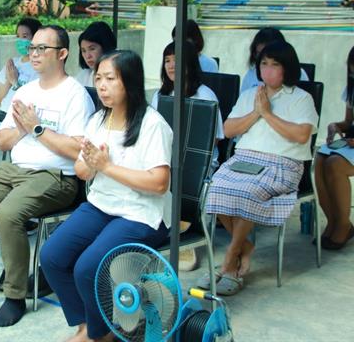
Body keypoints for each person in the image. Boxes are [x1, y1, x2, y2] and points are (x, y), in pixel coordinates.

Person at [0, 25, 95, 327]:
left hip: (56, 176)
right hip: (15, 168)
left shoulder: (75, 95)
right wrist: (23, 128)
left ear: (62, 54)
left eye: (41, 49)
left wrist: (37, 128)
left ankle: (15, 296)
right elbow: (2, 141)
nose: (33, 54)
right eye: (31, 48)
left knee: (8, 214)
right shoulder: (24, 91)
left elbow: (77, 149)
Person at [40, 50, 172, 342]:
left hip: (140, 213)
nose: (101, 85)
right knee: (52, 256)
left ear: (130, 82)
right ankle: (88, 325)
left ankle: (102, 335)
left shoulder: (153, 125)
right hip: (101, 205)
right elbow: (82, 171)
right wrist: (90, 163)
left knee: (88, 267)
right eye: (98, 78)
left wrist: (108, 167)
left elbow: (160, 183)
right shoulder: (98, 120)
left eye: (110, 79)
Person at [203, 41, 318, 296]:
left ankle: (230, 259)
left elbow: (301, 135)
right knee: (214, 189)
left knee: (248, 192)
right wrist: (256, 112)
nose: (267, 70)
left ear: (287, 68)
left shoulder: (301, 98)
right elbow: (228, 130)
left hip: (281, 164)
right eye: (263, 64)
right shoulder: (249, 96)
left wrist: (267, 114)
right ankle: (245, 247)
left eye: (274, 65)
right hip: (243, 159)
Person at [151, 41, 224, 272]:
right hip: (167, 157)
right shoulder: (160, 96)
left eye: (177, 60)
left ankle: (184, 237)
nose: (171, 65)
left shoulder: (205, 95)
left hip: (196, 163)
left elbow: (215, 137)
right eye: (167, 60)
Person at [314, 46, 354, 250]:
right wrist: (336, 127)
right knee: (320, 158)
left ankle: (344, 224)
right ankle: (333, 220)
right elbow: (349, 122)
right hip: (351, 143)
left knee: (335, 164)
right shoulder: (352, 88)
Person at [0, 17, 41, 131]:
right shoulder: (12, 63)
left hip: (20, 118)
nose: (20, 40)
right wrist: (9, 82)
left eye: (25, 36)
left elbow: (32, 101)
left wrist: (15, 83)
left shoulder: (39, 66)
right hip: (2, 114)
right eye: (18, 37)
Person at [240, 27, 308, 93]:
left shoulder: (299, 74)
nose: (262, 59)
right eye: (259, 54)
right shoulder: (251, 74)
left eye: (274, 63)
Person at [75, 21, 116, 87]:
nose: (88, 56)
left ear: (105, 47)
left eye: (92, 49)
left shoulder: (120, 72)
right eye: (83, 51)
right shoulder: (83, 76)